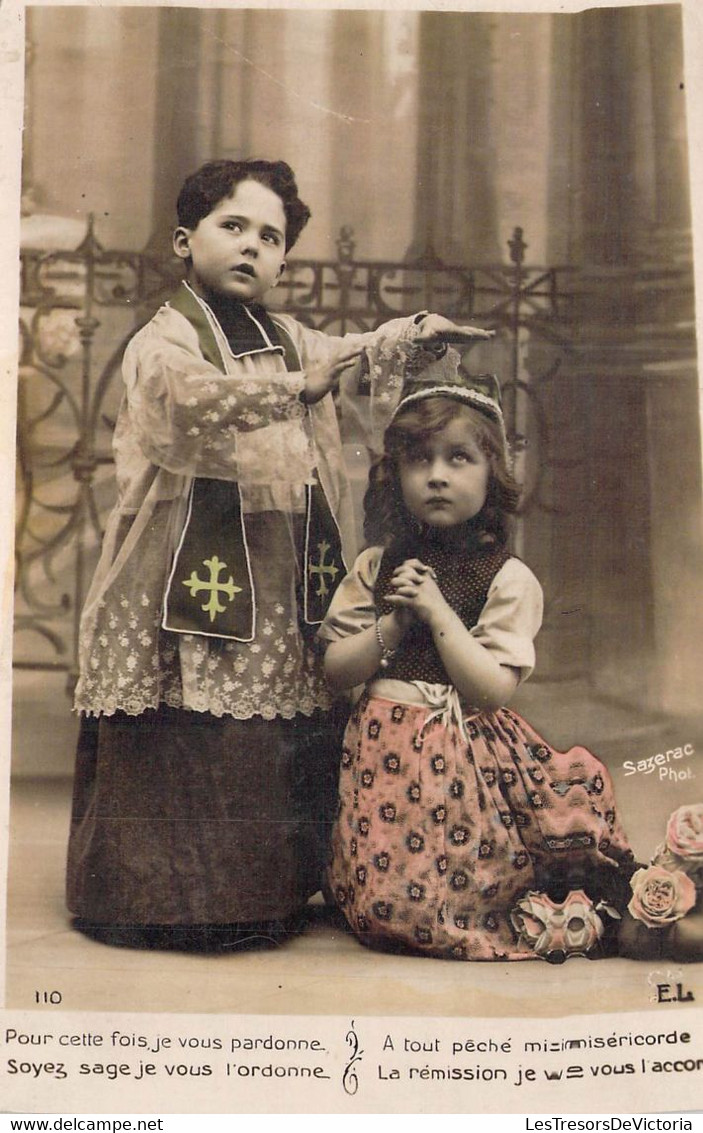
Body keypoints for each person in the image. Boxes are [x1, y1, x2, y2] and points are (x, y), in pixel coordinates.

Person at [66, 158, 493, 951]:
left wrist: (410, 332)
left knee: (266, 713)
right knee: (180, 706)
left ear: (284, 262)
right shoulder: (165, 335)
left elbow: (351, 354)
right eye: (233, 227)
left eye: (270, 237)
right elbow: (183, 402)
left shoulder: (288, 335)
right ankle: (155, 898)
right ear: (185, 239)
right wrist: (295, 388)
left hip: (275, 556)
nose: (251, 247)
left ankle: (260, 891)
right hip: (181, 559)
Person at [318, 365, 637, 962]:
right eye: (420, 460)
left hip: (466, 756)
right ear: (397, 476)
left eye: (459, 459)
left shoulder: (508, 578)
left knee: (449, 898)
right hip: (381, 756)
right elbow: (336, 670)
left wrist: (436, 611)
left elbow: (490, 690)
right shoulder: (377, 565)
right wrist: (393, 623)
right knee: (384, 906)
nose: (437, 476)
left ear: (493, 471)